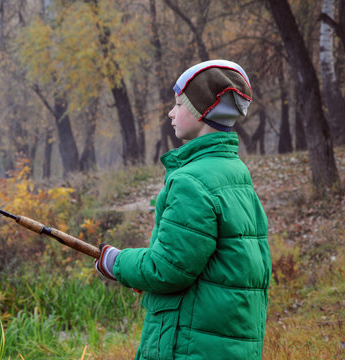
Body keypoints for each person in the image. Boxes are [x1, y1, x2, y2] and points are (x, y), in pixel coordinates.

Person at [95, 59, 272, 360]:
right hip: (227, 343)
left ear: (203, 112)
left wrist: (116, 262)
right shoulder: (234, 171)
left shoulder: (191, 181)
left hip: (190, 346)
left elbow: (168, 269)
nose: (171, 113)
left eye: (179, 104)